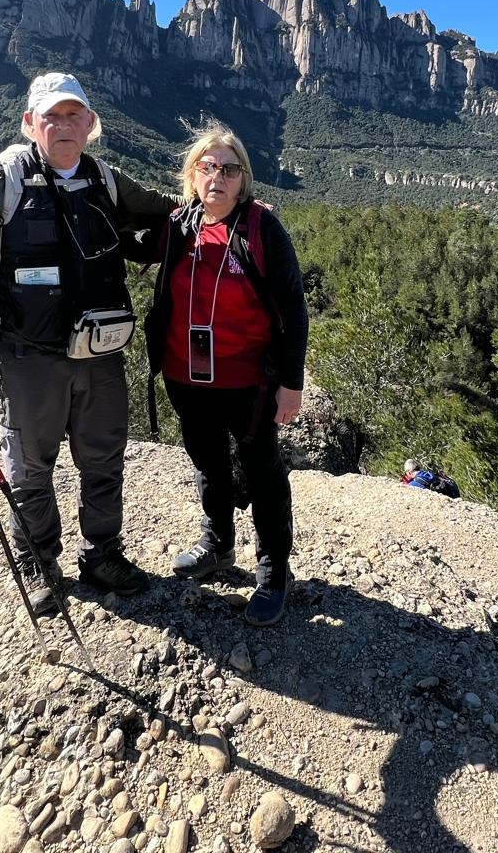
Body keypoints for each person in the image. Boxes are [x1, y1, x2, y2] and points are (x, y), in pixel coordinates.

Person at [0, 72, 178, 615]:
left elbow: (166, 210)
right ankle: (38, 562)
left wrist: (234, 202)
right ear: (29, 123)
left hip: (98, 353)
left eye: (73, 115)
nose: (63, 125)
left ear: (90, 123)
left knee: (104, 459)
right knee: (29, 468)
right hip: (26, 356)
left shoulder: (105, 179)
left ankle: (103, 554)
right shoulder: (0, 181)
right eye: (51, 116)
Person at [140, 128, 309, 626]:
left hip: (248, 381)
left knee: (262, 469)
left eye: (229, 169)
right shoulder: (179, 225)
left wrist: (292, 384)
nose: (218, 176)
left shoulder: (261, 228)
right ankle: (218, 544)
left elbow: (294, 310)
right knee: (207, 460)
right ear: (192, 175)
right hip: (185, 375)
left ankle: (273, 571)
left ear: (243, 180)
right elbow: (126, 245)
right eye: (208, 166)